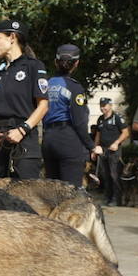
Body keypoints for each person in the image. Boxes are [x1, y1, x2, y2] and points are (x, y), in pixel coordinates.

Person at [0, 20, 48, 179]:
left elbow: (43, 105)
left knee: (27, 197)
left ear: (12, 37)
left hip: (23, 137)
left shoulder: (33, 66)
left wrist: (22, 129)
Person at [40, 44, 95, 184]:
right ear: (76, 63)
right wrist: (92, 146)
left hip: (48, 140)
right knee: (71, 194)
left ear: (55, 62)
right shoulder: (74, 87)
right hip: (68, 139)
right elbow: (79, 121)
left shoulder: (46, 85)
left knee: (53, 192)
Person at [92, 97, 129, 205]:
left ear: (110, 105)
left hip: (114, 151)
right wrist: (94, 149)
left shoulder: (117, 117)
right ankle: (108, 197)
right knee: (106, 175)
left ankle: (116, 199)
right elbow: (98, 135)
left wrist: (117, 143)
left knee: (114, 175)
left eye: (105, 105)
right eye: (101, 105)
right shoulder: (100, 119)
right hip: (103, 150)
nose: (103, 108)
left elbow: (126, 133)